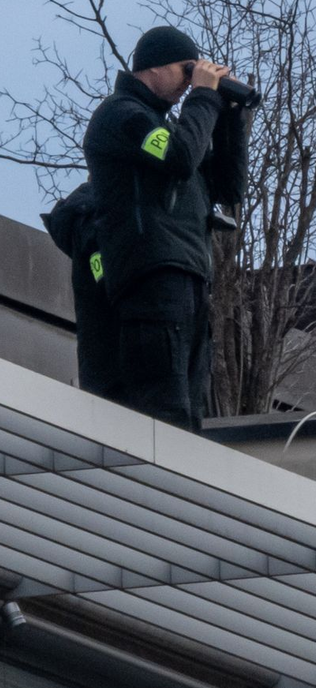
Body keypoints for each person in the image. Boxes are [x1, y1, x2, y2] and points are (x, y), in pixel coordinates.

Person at [83, 25, 248, 430]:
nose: (190, 81)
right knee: (164, 411)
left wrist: (229, 116)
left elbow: (229, 188)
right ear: (154, 68)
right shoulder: (121, 116)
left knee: (189, 415)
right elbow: (178, 157)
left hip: (190, 280)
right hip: (151, 280)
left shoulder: (174, 126)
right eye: (186, 69)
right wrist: (205, 97)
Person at [41, 181, 122, 401]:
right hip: (114, 363)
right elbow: (105, 279)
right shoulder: (93, 223)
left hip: (104, 362)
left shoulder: (91, 217)